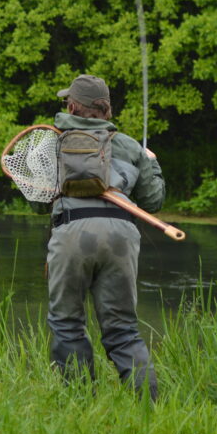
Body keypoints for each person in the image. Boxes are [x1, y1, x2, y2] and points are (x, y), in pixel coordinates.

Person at [41, 74, 164, 399]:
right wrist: (151, 163)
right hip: (121, 235)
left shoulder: (53, 141)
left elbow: (37, 201)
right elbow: (153, 203)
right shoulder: (127, 145)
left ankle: (80, 404)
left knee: (67, 324)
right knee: (122, 330)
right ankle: (151, 409)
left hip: (70, 232)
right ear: (106, 109)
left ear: (71, 105)